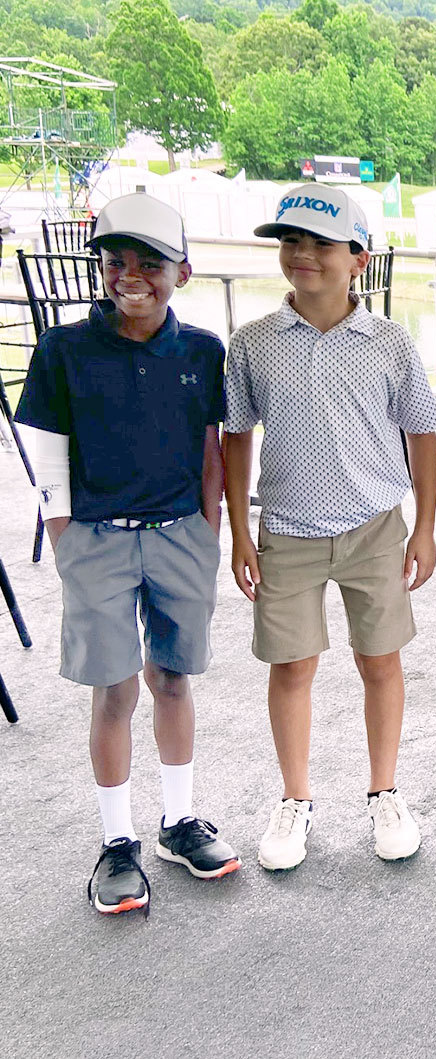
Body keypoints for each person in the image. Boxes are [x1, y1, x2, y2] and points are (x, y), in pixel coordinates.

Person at [16, 193, 238, 913]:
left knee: (173, 678)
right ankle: (119, 841)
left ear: (184, 270)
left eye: (150, 262)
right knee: (115, 688)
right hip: (97, 541)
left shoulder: (203, 351)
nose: (131, 275)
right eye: (116, 261)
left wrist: (210, 530)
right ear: (102, 268)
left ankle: (178, 821)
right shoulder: (64, 350)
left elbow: (212, 449)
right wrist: (66, 538)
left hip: (180, 536)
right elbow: (47, 456)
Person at [222, 184, 436, 871]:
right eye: (292, 241)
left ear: (360, 258)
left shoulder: (389, 342)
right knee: (292, 666)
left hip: (376, 526)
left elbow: (422, 436)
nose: (304, 255)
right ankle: (295, 799)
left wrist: (426, 527)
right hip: (286, 529)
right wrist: (238, 533)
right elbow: (235, 438)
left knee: (380, 660)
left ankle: (384, 789)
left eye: (322, 243)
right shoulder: (254, 342)